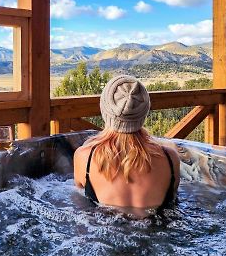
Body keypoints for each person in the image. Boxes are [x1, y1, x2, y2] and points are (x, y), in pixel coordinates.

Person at [74, 75, 180, 213]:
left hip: (105, 228)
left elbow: (79, 198)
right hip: (157, 229)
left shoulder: (85, 156)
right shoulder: (170, 158)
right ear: (144, 112)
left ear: (105, 110)